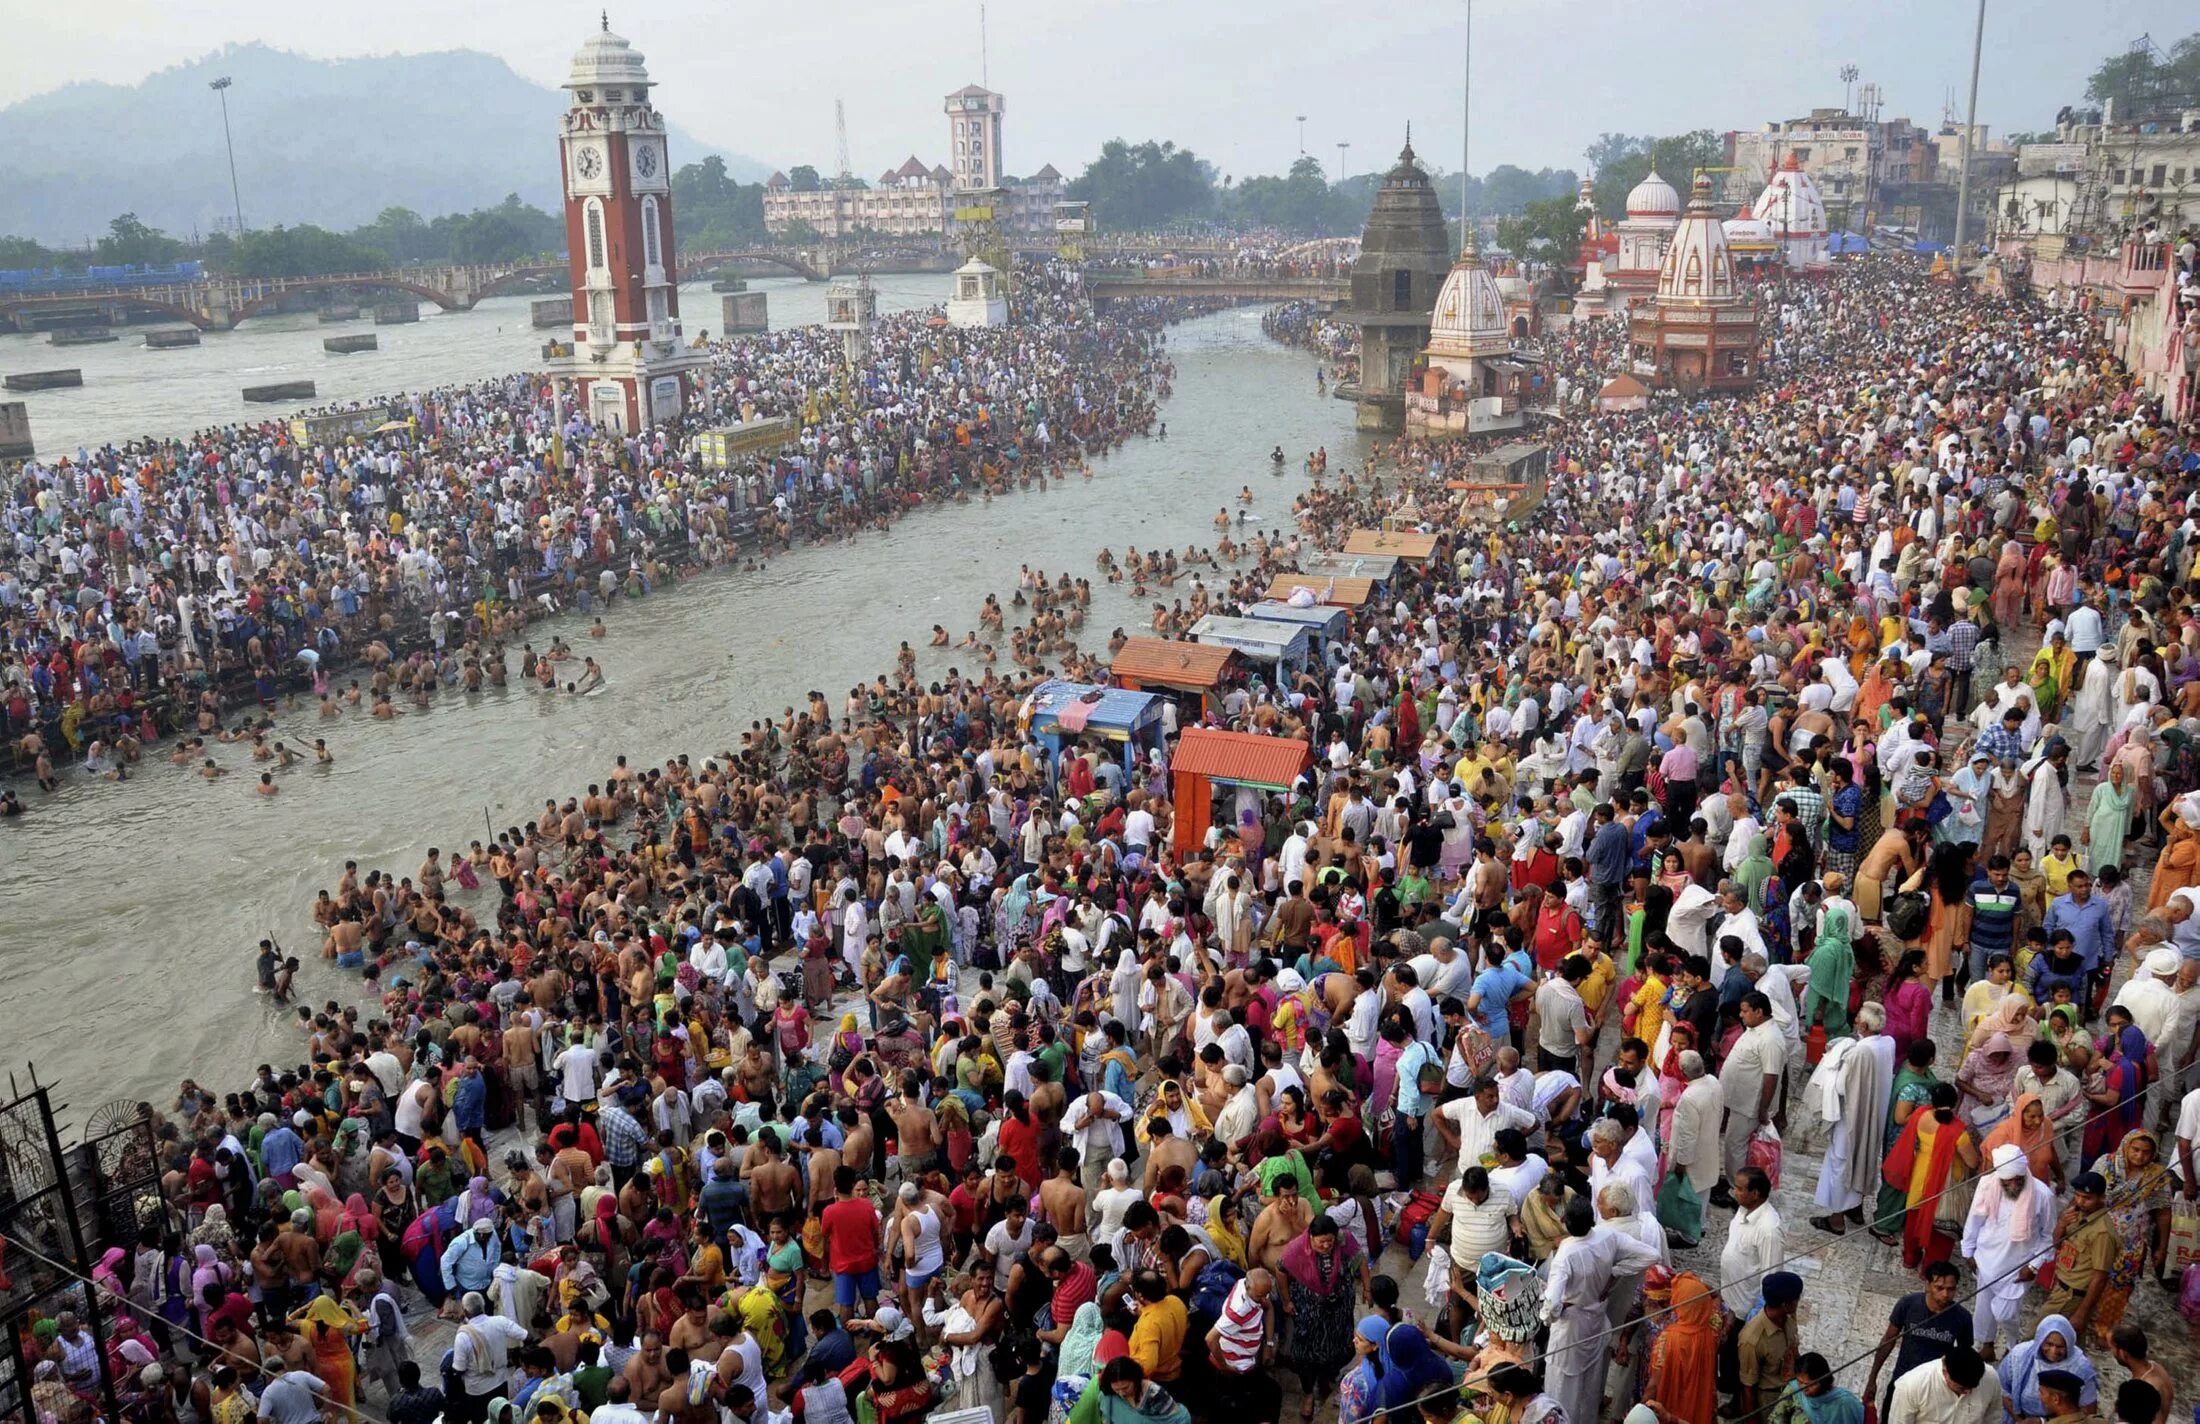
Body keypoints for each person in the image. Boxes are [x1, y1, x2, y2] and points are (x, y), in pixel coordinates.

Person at [1543, 1195, 1662, 1424]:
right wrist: (1615, 1272)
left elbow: (1551, 1307)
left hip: (1571, 1328)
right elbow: (1651, 1254)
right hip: (1596, 1319)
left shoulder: (1566, 1253)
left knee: (1562, 1389)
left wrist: (1551, 1313)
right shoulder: (1608, 1235)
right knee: (1590, 1385)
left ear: (1566, 1222)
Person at [1959, 1144, 2057, 1359]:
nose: (2013, 1185)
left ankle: (2014, 1346)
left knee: (2006, 1313)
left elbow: (2048, 1236)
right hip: (1986, 1258)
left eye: (2018, 1180)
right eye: (2007, 1181)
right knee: (1984, 1309)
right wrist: (1968, 1251)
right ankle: (1987, 1345)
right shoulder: (1987, 1184)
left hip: (2019, 1266)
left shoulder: (2042, 1195)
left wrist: (2034, 1266)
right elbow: (1974, 1218)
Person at [1810, 1002, 1894, 1234]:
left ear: (1864, 1026)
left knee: (1840, 1164)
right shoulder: (1888, 1044)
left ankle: (1836, 1219)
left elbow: (1840, 1087)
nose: (1855, 1021)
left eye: (1858, 1020)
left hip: (1852, 1119)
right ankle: (1855, 1209)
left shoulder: (1858, 1052)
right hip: (1875, 1114)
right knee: (1863, 1160)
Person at [1277, 1214, 1366, 1422]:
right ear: (1311, 1238)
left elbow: (1360, 1260)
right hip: (1310, 1313)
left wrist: (1368, 1287)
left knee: (1340, 1349)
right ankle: (1308, 1393)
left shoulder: (1344, 1240)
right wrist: (1286, 1300)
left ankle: (1327, 1377)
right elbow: (1281, 1271)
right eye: (1321, 1242)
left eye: (1330, 1241)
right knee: (1306, 1355)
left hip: (1338, 1312)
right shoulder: (1296, 1248)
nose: (1326, 1246)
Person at [1882, 1083, 1978, 1273]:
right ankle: (1930, 1269)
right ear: (1954, 1103)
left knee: (1914, 1219)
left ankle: (1910, 1257)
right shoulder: (1958, 1132)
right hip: (1943, 1185)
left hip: (1919, 1176)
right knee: (1939, 1232)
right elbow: (1973, 1162)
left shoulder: (1920, 1115)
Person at [1865, 1264, 1971, 1416]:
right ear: (1927, 1285)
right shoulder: (1907, 1304)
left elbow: (1964, 1355)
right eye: (1939, 1288)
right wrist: (1872, 1378)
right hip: (1902, 1381)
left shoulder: (1963, 1318)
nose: (1946, 1294)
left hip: (1936, 1389)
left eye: (1951, 1289)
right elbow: (1888, 1340)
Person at [2038, 1172, 2118, 1339]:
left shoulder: (2102, 1232)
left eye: (2087, 1198)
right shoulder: (2076, 1213)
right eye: (2078, 1195)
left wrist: (2082, 1314)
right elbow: (2057, 1244)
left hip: (2073, 1295)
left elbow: (2100, 1277)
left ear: (2101, 1198)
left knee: (2036, 1337)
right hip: (2061, 1286)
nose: (2080, 1201)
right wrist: (2061, 1224)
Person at [1643, 1271, 1721, 1424]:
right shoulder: (1713, 1328)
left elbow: (1654, 1385)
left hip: (1672, 1409)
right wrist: (1697, 1289)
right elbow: (1716, 1296)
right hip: (1701, 1406)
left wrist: (1640, 1408)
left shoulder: (1667, 1339)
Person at [1997, 1316, 2100, 1420]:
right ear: (2040, 1340)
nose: (2054, 1351)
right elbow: (2003, 1390)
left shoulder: (2081, 1368)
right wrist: (2020, 1421)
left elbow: (2087, 1412)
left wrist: (2043, 1422)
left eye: (2060, 1346)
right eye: (2049, 1344)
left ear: (2069, 1344)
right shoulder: (2020, 1355)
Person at [1887, 1346, 2000, 1424]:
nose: (1968, 1392)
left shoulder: (1990, 1378)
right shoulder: (1911, 1385)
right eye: (1962, 1388)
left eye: (1972, 1387)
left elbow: (1993, 1418)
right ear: (1945, 1372)